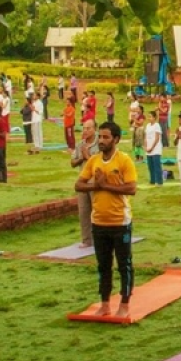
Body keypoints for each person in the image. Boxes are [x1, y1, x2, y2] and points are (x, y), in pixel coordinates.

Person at [75, 121, 138, 317]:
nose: (101, 141)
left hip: (120, 222)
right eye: (100, 137)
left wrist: (106, 185)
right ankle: (104, 304)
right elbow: (78, 185)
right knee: (103, 266)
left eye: (105, 137)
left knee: (124, 265)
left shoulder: (124, 160)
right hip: (98, 222)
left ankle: (124, 304)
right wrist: (97, 186)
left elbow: (131, 188)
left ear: (116, 139)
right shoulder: (93, 161)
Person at [71, 119, 98, 246]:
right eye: (84, 128)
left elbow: (100, 163)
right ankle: (86, 240)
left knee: (96, 210)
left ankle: (99, 239)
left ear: (94, 129)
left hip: (95, 181)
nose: (85, 131)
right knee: (83, 211)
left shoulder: (100, 143)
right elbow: (72, 162)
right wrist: (82, 157)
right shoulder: (80, 144)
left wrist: (88, 156)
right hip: (83, 180)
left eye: (88, 128)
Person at [144, 110, 164, 185]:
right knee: (150, 166)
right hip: (148, 148)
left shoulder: (157, 125)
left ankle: (159, 181)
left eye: (150, 117)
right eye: (148, 117)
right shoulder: (148, 126)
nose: (149, 118)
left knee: (157, 165)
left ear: (154, 117)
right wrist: (146, 147)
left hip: (155, 149)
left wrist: (152, 148)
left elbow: (157, 138)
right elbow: (145, 137)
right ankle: (152, 180)